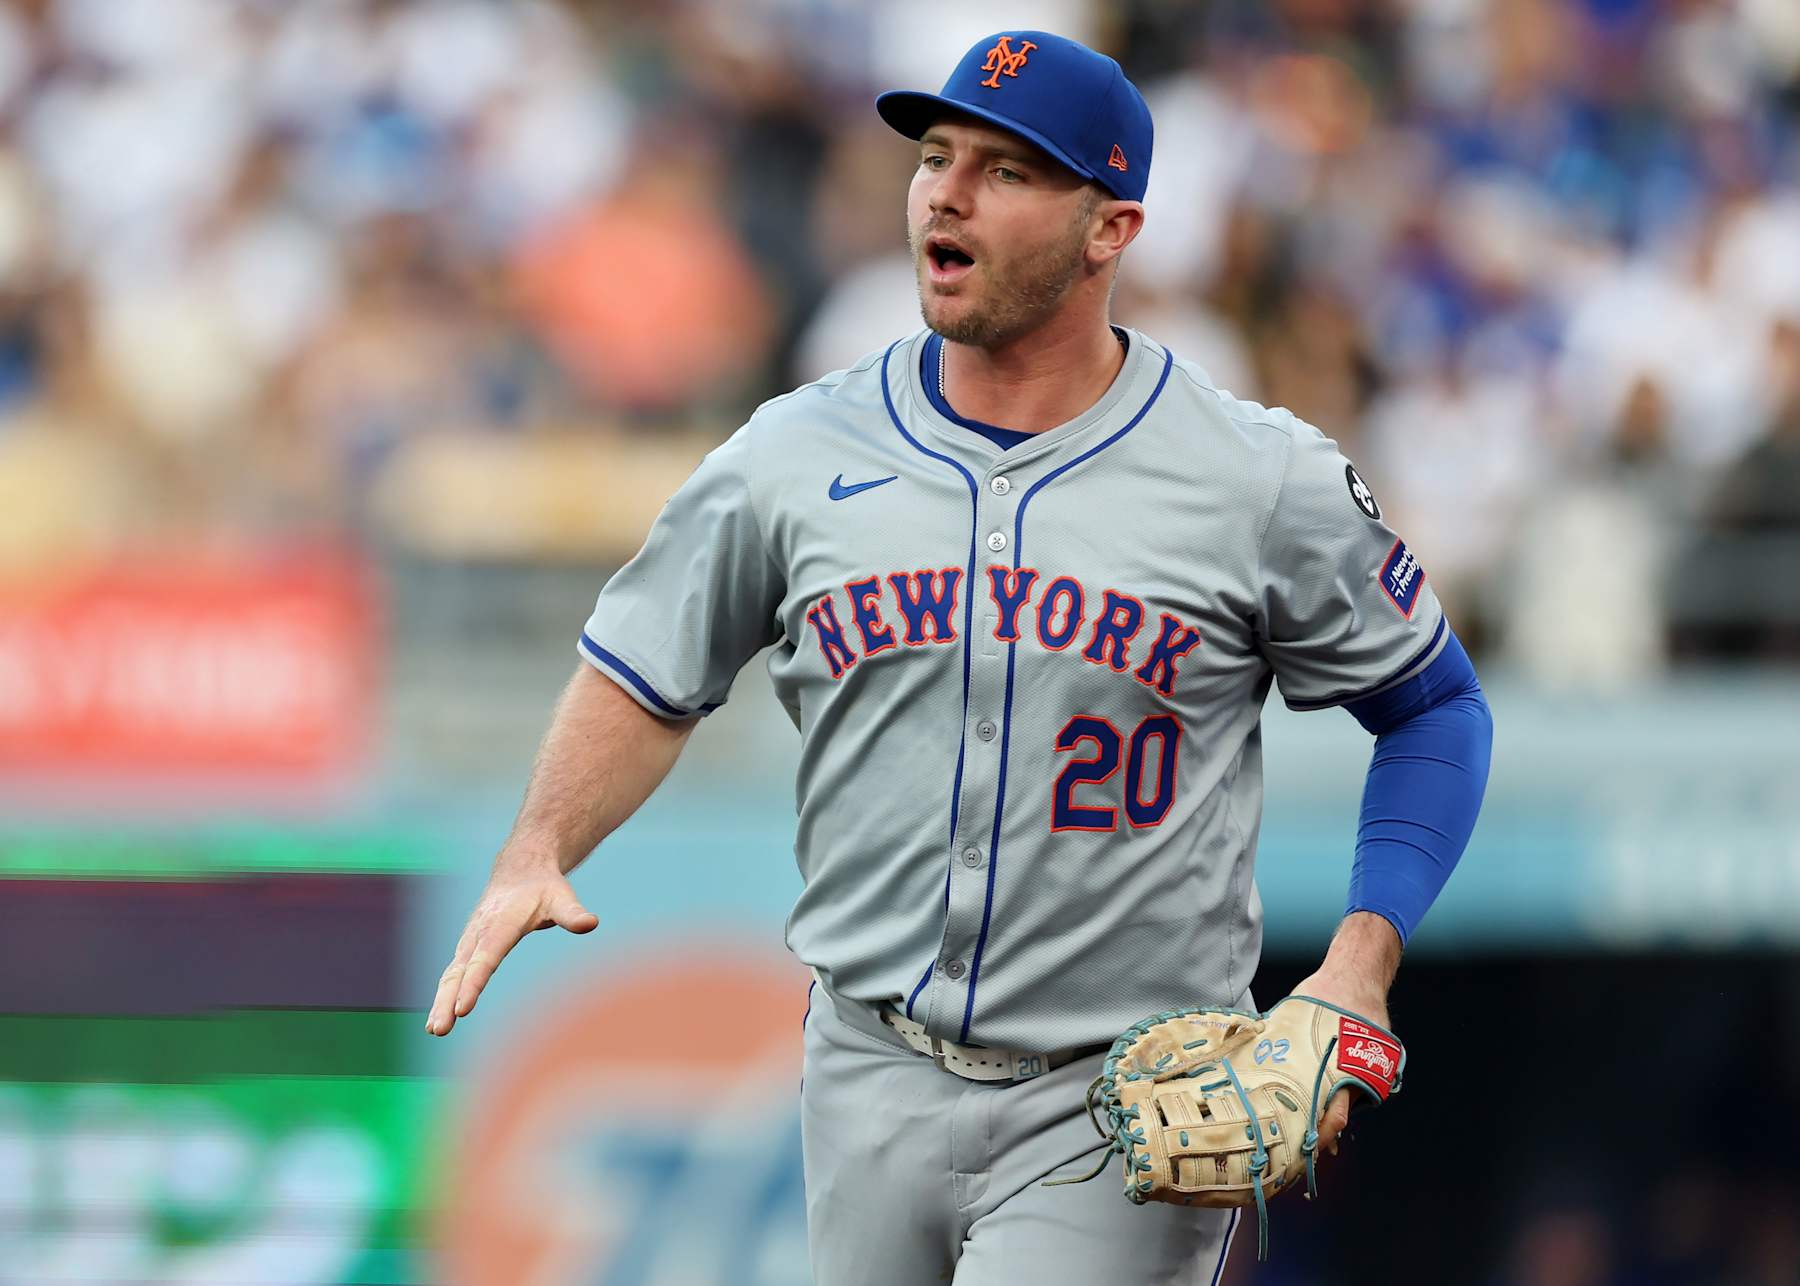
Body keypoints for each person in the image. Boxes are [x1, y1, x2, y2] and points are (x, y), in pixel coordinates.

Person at [426, 31, 1493, 1284]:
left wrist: (1359, 961)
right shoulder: (793, 453)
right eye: (935, 156)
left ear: (1109, 228)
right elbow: (646, 670)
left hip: (1117, 1099)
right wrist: (539, 842)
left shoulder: (1252, 476)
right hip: (862, 1065)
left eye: (1006, 170)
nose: (947, 192)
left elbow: (1436, 706)